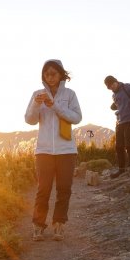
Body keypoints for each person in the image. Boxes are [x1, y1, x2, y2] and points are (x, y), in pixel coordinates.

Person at [24, 59, 82, 241]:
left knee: (64, 189)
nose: (49, 77)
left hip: (67, 150)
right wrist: (36, 104)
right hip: (44, 150)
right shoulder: (37, 94)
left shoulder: (70, 94)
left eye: (53, 73)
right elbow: (29, 120)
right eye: (46, 73)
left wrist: (54, 106)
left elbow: (77, 118)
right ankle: (38, 225)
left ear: (61, 75)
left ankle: (59, 224)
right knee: (43, 189)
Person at [104, 75, 130, 179]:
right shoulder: (114, 95)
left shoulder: (127, 87)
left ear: (116, 81)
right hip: (120, 122)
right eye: (109, 87)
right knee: (119, 147)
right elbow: (119, 105)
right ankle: (121, 170)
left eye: (112, 85)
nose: (112, 88)